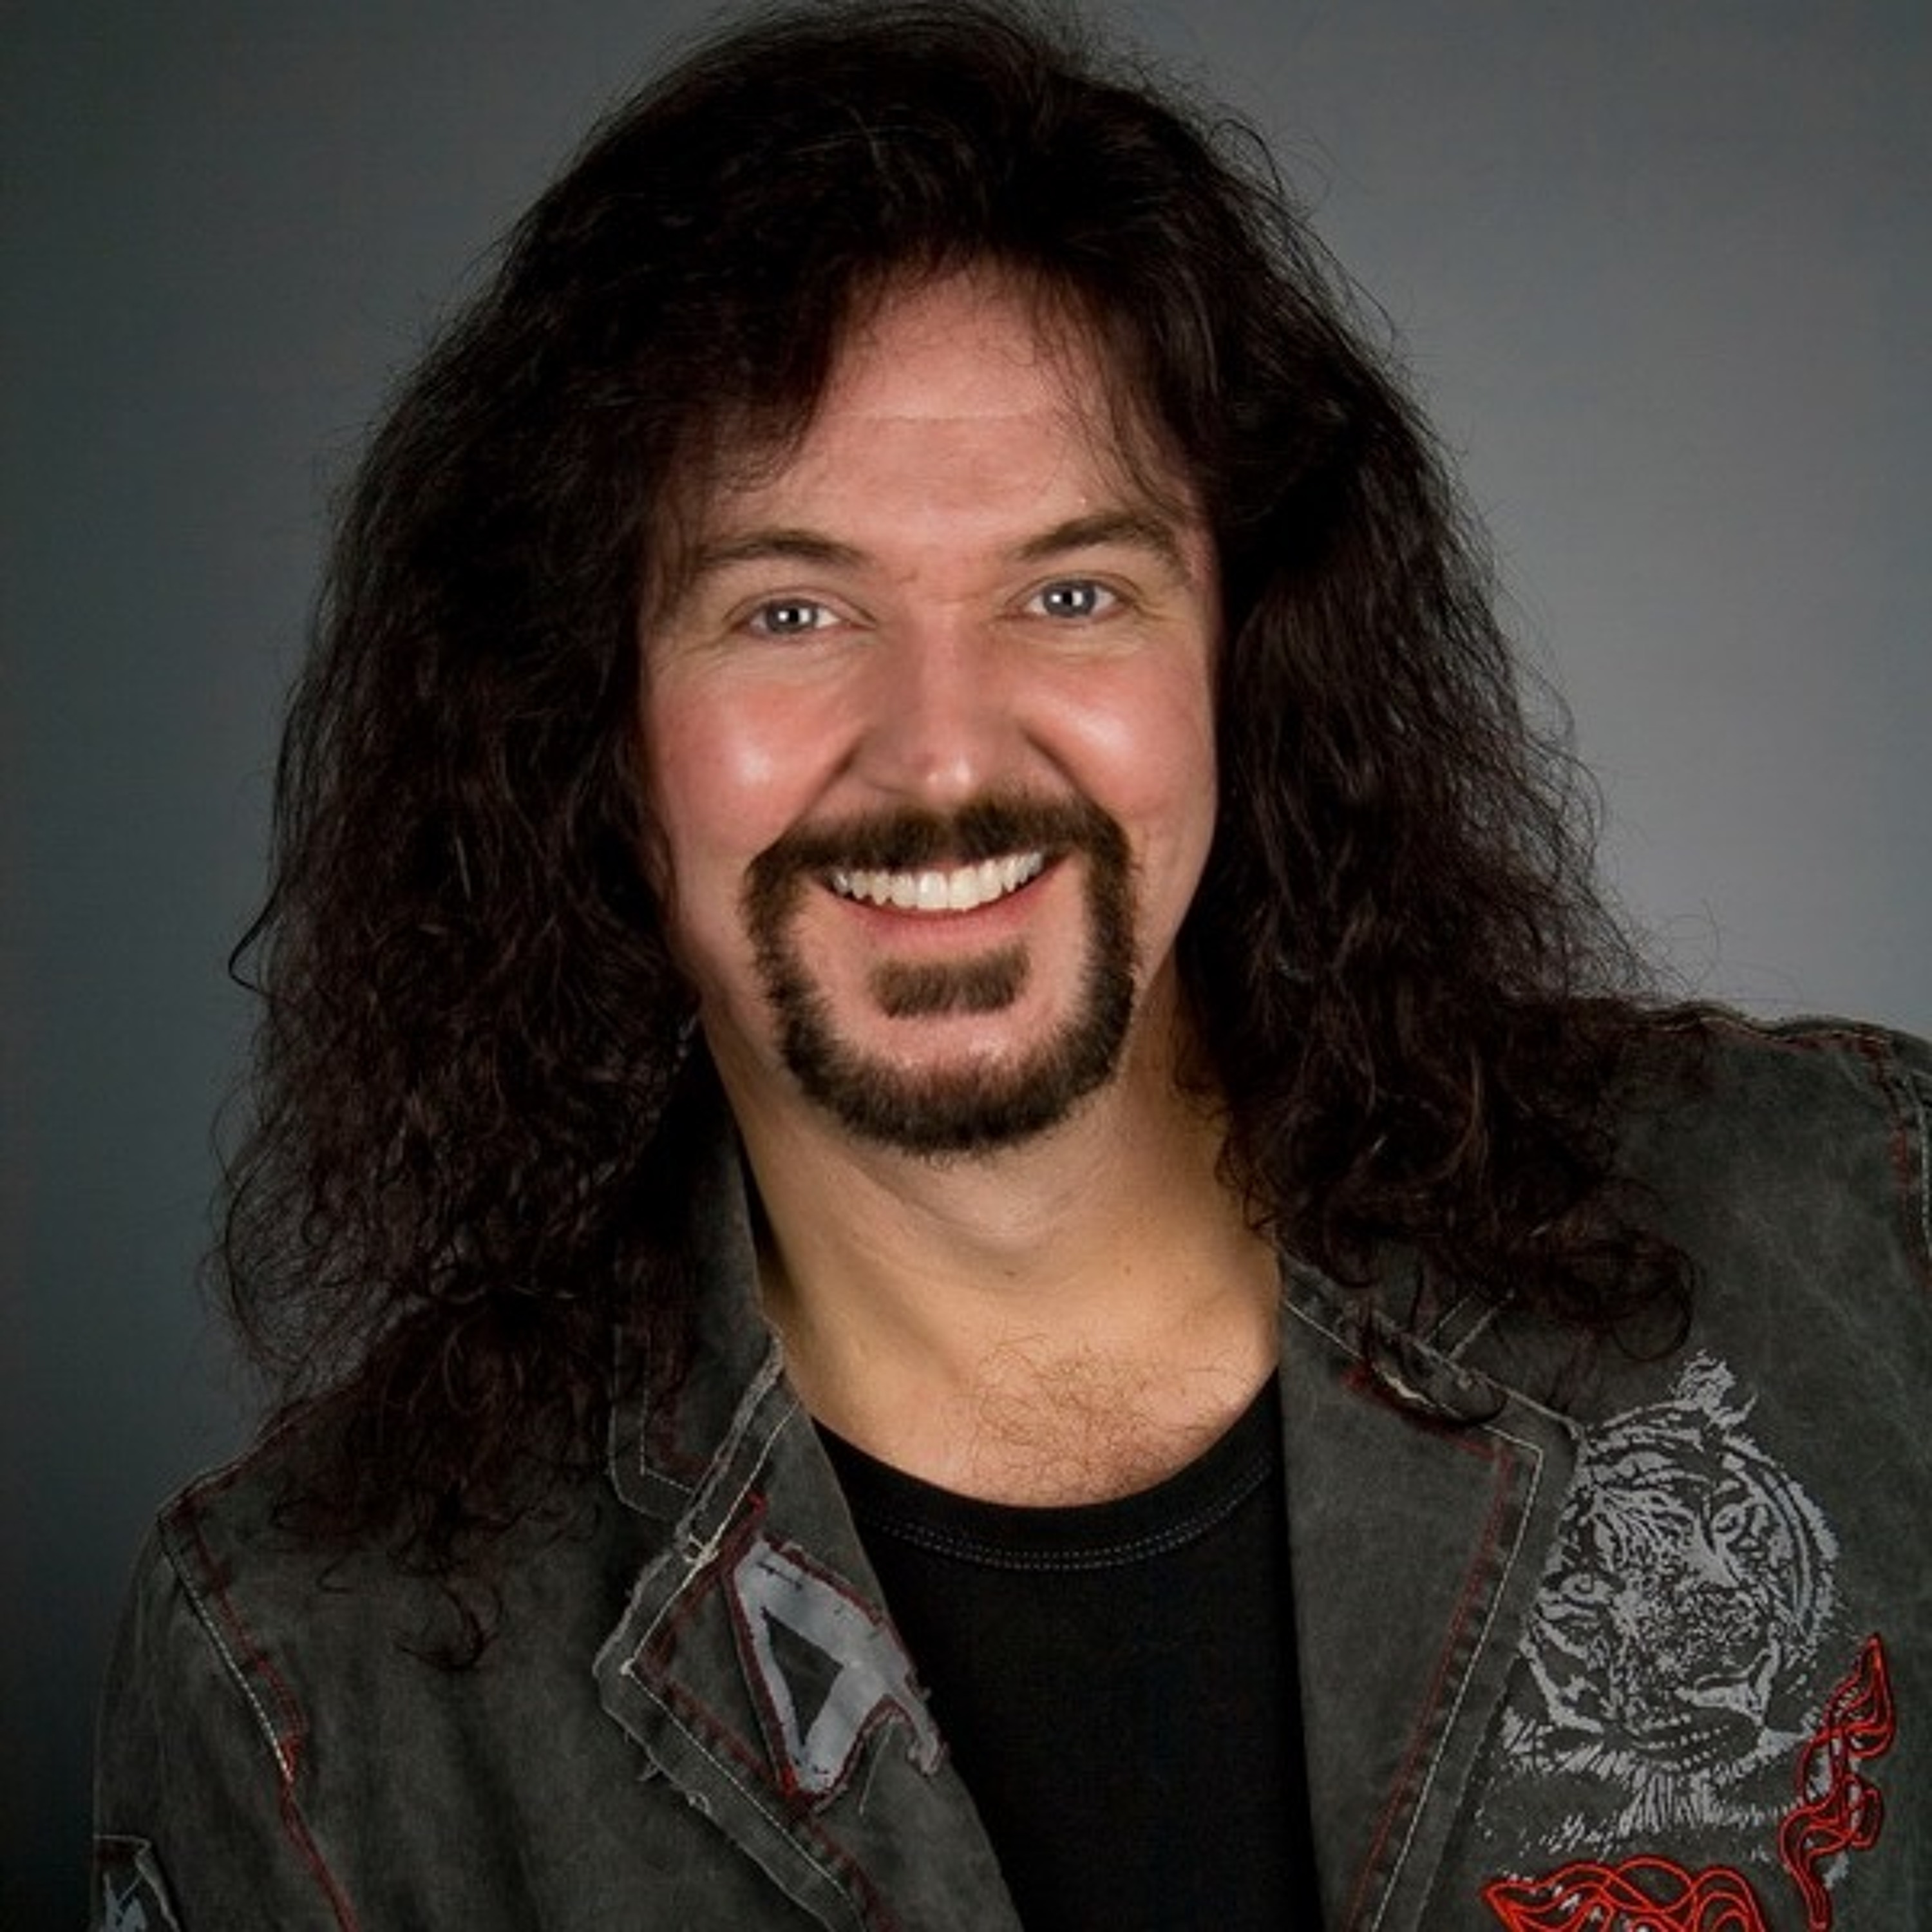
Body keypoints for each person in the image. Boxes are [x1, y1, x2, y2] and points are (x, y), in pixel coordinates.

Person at [92, 3, 1929, 1927]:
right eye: (791, 611)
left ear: (1245, 658)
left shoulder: (1868, 1245)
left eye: (1071, 592)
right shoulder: (313, 1689)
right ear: (591, 727)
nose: (946, 757)